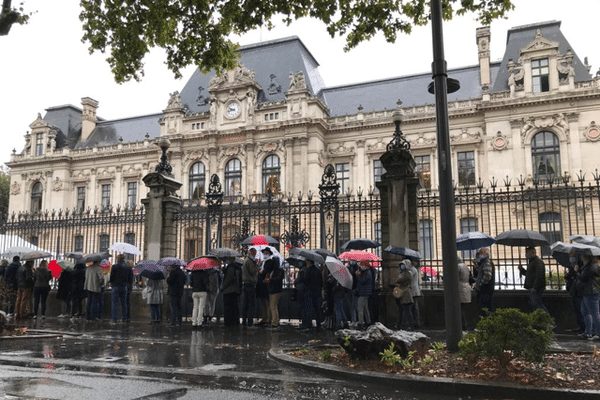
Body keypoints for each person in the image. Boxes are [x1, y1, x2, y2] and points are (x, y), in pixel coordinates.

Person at [574, 254, 600, 340]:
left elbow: (583, 277)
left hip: (591, 293)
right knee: (585, 311)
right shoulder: (588, 266)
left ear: (586, 257)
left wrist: (576, 271)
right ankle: (588, 332)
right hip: (587, 292)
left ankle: (598, 333)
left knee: (594, 314)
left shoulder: (590, 267)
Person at [519, 246, 548, 313]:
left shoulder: (537, 262)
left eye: (527, 252)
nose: (526, 254)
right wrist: (522, 270)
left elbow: (539, 275)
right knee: (534, 305)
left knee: (537, 304)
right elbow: (529, 275)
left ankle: (548, 319)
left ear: (532, 253)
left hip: (536, 288)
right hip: (532, 287)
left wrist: (535, 287)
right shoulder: (532, 262)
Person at [263, 247, 284, 330]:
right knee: (273, 307)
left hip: (276, 291)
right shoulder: (274, 270)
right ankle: (274, 322)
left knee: (273, 307)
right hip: (273, 290)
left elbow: (278, 279)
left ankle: (275, 323)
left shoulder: (279, 270)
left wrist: (270, 281)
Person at [564, 252, 585, 334]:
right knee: (576, 310)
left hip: (579, 291)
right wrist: (567, 276)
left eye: (573, 257)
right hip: (573, 291)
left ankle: (584, 328)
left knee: (581, 310)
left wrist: (576, 271)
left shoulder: (581, 266)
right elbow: (572, 278)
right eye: (570, 257)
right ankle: (580, 326)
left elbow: (581, 277)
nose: (571, 259)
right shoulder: (571, 267)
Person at [109, 254, 132, 323]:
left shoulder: (115, 266)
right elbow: (130, 278)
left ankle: (114, 319)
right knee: (124, 303)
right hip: (124, 286)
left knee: (114, 304)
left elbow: (111, 277)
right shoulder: (128, 267)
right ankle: (124, 318)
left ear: (118, 259)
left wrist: (112, 283)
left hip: (116, 286)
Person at [473, 247, 495, 316]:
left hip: (485, 289)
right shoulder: (483, 263)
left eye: (481, 253)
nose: (479, 255)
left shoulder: (487, 263)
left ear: (486, 255)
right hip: (485, 290)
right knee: (485, 308)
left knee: (485, 308)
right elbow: (481, 273)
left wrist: (481, 284)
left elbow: (487, 276)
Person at [221, 257, 242, 326]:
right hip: (236, 290)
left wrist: (222, 287)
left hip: (229, 291)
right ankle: (235, 321)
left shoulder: (231, 268)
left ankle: (228, 322)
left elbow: (228, 279)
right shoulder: (238, 267)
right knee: (235, 307)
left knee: (228, 308)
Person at [394, 260, 414, 330]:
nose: (401, 266)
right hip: (402, 294)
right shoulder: (402, 273)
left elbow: (399, 280)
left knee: (407, 311)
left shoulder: (408, 273)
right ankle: (399, 324)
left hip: (406, 294)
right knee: (401, 310)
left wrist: (398, 280)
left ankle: (410, 325)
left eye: (403, 265)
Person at [241, 248, 259, 328]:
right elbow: (252, 271)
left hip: (246, 284)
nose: (255, 254)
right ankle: (250, 322)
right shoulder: (249, 261)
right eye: (254, 252)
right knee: (251, 304)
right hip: (250, 284)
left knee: (246, 303)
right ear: (250, 252)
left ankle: (244, 321)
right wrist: (257, 265)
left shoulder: (246, 260)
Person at [355, 261, 373, 329]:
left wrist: (358, 275)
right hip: (365, 292)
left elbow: (362, 281)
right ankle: (368, 321)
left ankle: (360, 323)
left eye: (361, 265)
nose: (360, 266)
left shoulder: (367, 273)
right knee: (365, 308)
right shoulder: (366, 272)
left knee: (360, 308)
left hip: (364, 292)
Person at [457, 256, 473, 331]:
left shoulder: (458, 266)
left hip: (460, 288)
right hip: (466, 287)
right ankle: (465, 325)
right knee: (463, 308)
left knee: (460, 309)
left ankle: (463, 325)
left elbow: (454, 277)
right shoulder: (465, 266)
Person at [407, 260, 422, 328]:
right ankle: (416, 322)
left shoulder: (411, 270)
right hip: (414, 290)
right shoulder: (413, 269)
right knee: (414, 307)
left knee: (413, 307)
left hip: (412, 291)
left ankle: (415, 322)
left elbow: (408, 279)